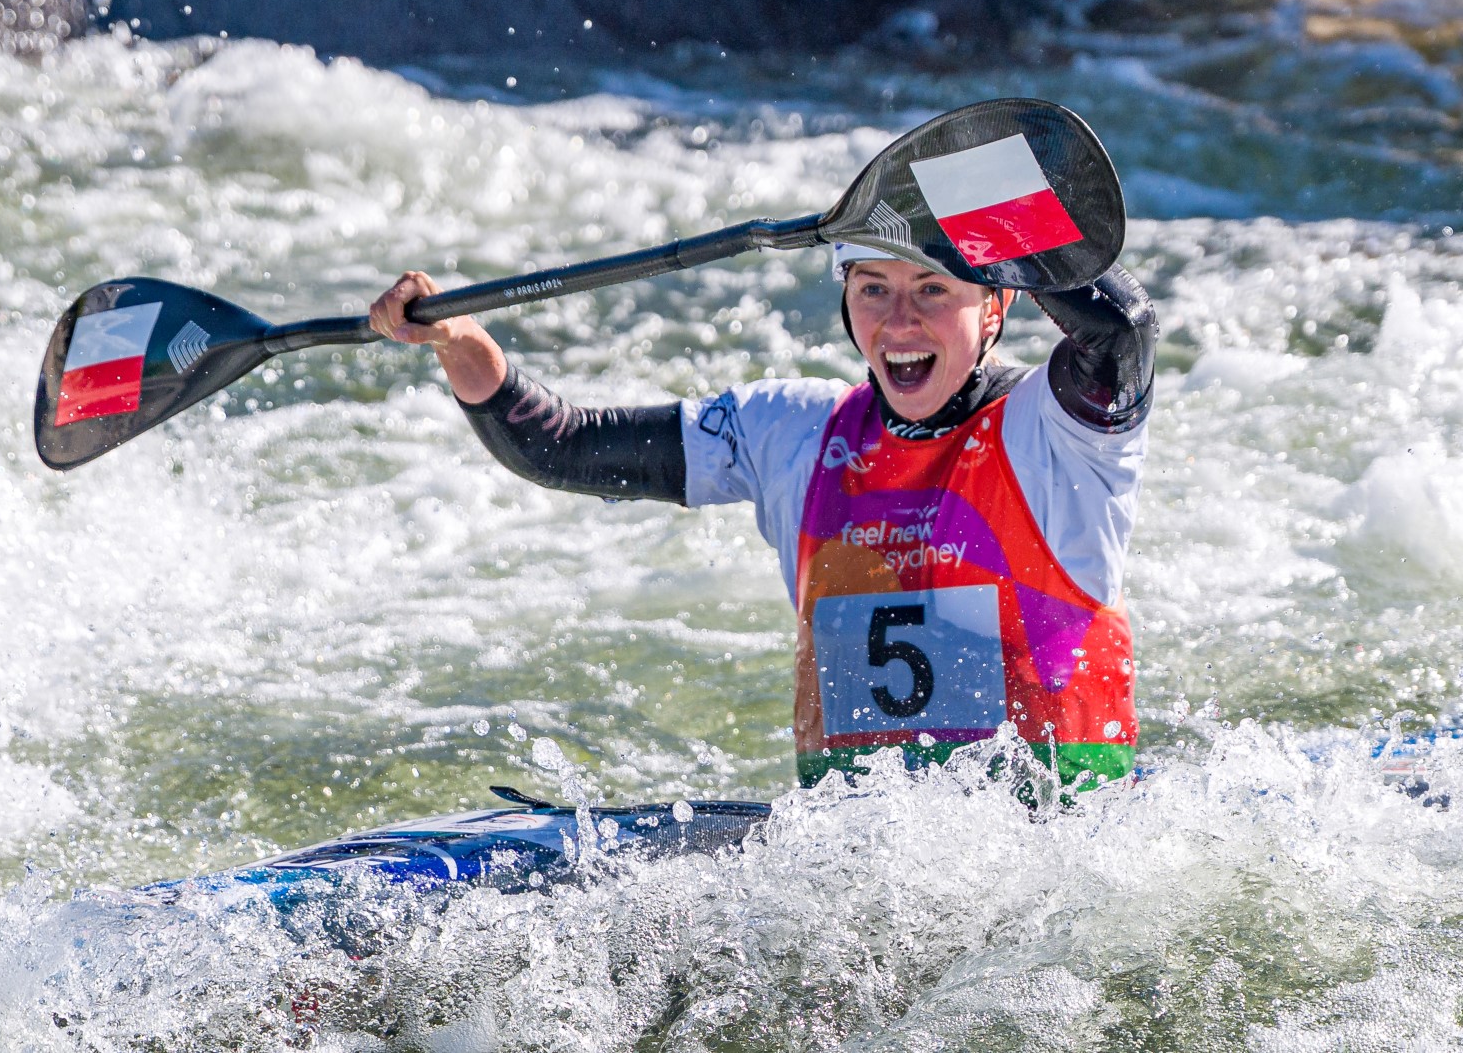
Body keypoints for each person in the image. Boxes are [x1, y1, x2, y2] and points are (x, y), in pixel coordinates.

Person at [369, 241, 1157, 791]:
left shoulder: (1060, 433)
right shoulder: (793, 431)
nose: (898, 323)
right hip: (860, 864)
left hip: (1057, 857)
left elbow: (1121, 329)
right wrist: (458, 340)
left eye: (933, 290)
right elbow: (562, 446)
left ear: (995, 305)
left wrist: (998, 222)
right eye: (872, 288)